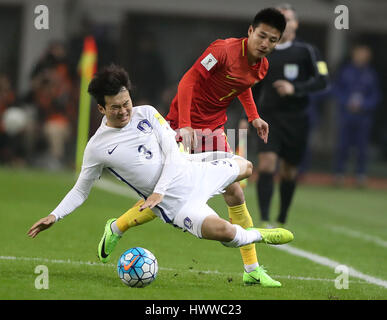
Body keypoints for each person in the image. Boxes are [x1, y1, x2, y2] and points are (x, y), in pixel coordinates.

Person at [27, 65, 294, 285]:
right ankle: (258, 236)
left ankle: (251, 266)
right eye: (115, 108)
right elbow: (80, 190)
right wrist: (55, 215)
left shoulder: (147, 113)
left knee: (246, 167)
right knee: (223, 232)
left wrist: (159, 189)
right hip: (176, 205)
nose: (123, 112)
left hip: (191, 169)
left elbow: (172, 153)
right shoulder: (98, 148)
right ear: (101, 109)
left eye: (126, 103)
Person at [106, 8, 288, 287]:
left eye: (272, 40)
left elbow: (243, 84)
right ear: (250, 31)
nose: (265, 43)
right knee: (165, 193)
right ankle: (117, 226)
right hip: (183, 125)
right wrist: (187, 124)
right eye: (262, 35)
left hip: (214, 129)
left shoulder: (261, 66)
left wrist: (254, 117)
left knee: (235, 192)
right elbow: (189, 80)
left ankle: (251, 269)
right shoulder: (223, 50)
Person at [249, 4, 328, 227]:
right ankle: (264, 219)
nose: (286, 23)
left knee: (289, 172)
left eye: (289, 19)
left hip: (297, 119)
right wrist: (249, 115)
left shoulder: (307, 51)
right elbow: (251, 86)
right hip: (269, 117)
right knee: (266, 165)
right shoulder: (264, 50)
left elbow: (323, 80)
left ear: (296, 24)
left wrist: (295, 88)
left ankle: (282, 217)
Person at [333, 44, 381, 187]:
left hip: (363, 117)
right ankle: (339, 174)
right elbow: (336, 89)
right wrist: (346, 102)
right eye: (359, 53)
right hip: (346, 115)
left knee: (362, 148)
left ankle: (360, 175)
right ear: (354, 54)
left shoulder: (371, 74)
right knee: (342, 145)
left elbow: (376, 96)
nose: (361, 57)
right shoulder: (346, 71)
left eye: (364, 54)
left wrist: (364, 105)